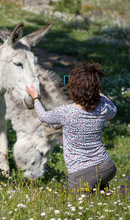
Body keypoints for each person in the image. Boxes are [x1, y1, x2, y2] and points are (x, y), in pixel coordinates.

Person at [26, 62, 117, 193]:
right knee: (101, 200)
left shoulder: (67, 112)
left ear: (73, 88)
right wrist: (98, 92)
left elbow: (44, 116)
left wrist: (36, 98)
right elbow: (113, 109)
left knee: (79, 208)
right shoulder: (103, 107)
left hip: (82, 172)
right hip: (107, 167)